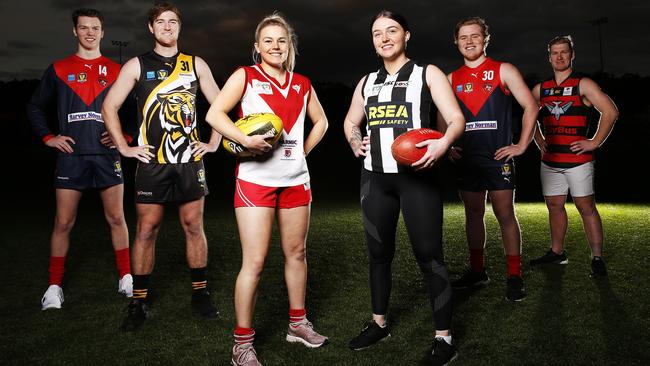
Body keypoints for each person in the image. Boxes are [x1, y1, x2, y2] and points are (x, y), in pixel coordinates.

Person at [204, 13, 329, 366]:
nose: (276, 46)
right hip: (255, 181)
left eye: (282, 41)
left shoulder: (302, 83)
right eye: (268, 41)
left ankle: (297, 324)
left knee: (297, 255)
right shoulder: (245, 76)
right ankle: (242, 344)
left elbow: (322, 122)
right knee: (255, 262)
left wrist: (301, 152)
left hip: (295, 181)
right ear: (257, 47)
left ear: (290, 47)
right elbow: (215, 115)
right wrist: (243, 139)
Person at [343, 10, 465, 366]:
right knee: (378, 256)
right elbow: (351, 120)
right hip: (374, 179)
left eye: (391, 30)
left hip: (417, 179)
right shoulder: (366, 82)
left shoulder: (428, 74)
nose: (384, 37)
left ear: (406, 35)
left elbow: (456, 119)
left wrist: (443, 143)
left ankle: (444, 339)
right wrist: (354, 140)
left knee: (430, 258)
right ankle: (379, 323)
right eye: (377, 33)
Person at [101, 2, 221, 331]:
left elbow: (221, 105)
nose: (167, 27)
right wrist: (124, 147)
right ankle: (138, 302)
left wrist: (213, 143)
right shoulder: (137, 65)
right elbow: (109, 106)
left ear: (179, 28)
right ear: (151, 28)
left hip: (189, 163)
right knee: (146, 229)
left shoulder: (195, 64)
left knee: (194, 226)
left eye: (173, 22)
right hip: (152, 163)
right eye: (161, 22)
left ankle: (200, 293)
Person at [27, 8, 132, 310]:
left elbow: (139, 111)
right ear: (75, 31)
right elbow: (35, 106)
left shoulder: (116, 70)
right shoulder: (59, 68)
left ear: (103, 31)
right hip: (72, 156)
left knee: (116, 218)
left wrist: (123, 137)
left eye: (95, 28)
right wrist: (49, 137)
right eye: (84, 27)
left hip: (107, 155)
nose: (89, 32)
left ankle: (126, 277)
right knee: (63, 222)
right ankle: (54, 286)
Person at [445, 17, 538, 301]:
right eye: (463, 37)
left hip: (498, 156)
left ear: (486, 39)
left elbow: (531, 107)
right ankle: (478, 272)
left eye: (475, 36)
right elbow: (442, 118)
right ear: (456, 42)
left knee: (504, 214)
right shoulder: (451, 79)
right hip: (468, 158)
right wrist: (447, 144)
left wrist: (521, 145)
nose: (469, 41)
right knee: (473, 215)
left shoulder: (503, 70)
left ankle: (514, 276)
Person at [529, 35, 618, 276]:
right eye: (554, 53)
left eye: (564, 52)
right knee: (554, 205)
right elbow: (528, 115)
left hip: (578, 160)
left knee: (585, 206)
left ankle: (597, 257)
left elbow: (610, 111)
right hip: (550, 161)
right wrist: (538, 139)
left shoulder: (583, 84)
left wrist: (594, 142)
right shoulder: (541, 88)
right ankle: (557, 253)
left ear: (572, 55)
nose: (559, 57)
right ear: (549, 57)